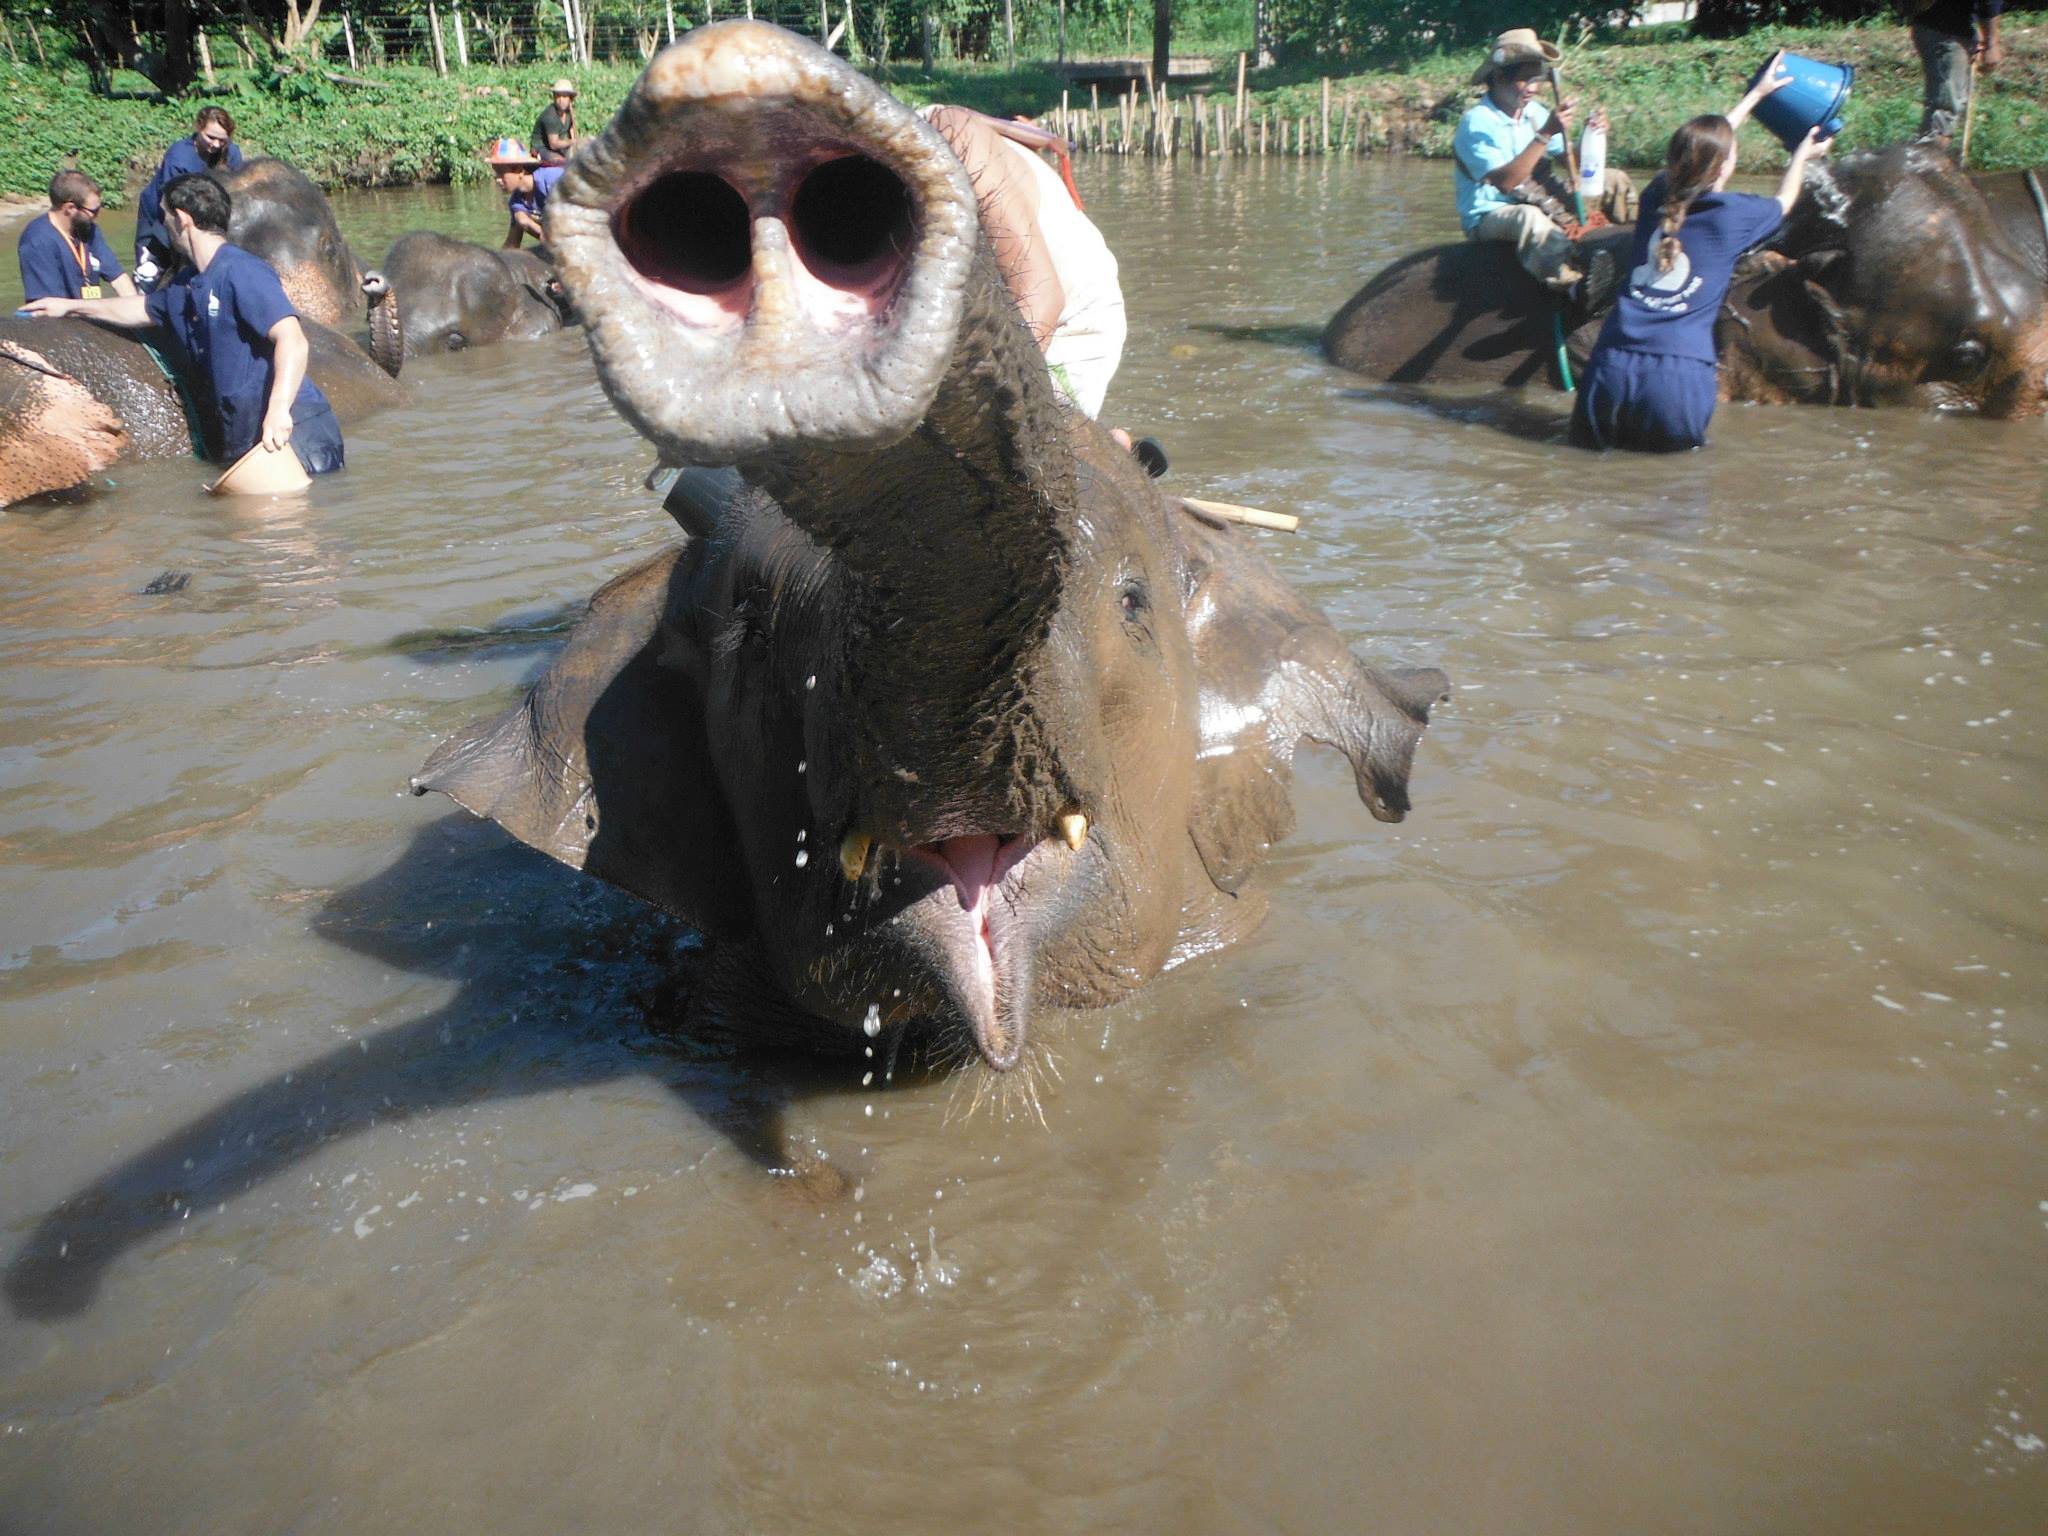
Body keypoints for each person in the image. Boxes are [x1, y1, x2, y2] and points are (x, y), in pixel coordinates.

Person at [1570, 58, 1831, 454]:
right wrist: (1800, 157)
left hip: (1610, 366)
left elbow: (1702, 148)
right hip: (1677, 378)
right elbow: (1786, 199)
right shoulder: (1737, 214)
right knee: (1675, 496)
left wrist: (1754, 97)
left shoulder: (1655, 195)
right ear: (1727, 165)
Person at [23, 173, 345, 478]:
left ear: (182, 219)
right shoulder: (186, 284)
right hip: (249, 437)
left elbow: (292, 339)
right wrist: (71, 307)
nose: (163, 225)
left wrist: (278, 411)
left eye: (164, 217)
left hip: (295, 431)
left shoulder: (241, 270)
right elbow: (140, 308)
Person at [921, 105, 1127, 420]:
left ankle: (1113, 443)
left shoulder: (956, 137)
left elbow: (1042, 298)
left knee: (1025, 432)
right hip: (991, 296)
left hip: (1070, 322)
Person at [1454, 27, 1609, 294]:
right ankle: (1567, 285)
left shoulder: (1534, 112)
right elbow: (1506, 183)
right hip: (1491, 212)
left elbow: (1571, 161)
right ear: (1500, 76)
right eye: (1525, 80)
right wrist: (1546, 132)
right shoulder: (1477, 122)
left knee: (1614, 179)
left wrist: (1590, 135)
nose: (1533, 89)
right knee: (1530, 219)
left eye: (1537, 80)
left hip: (1538, 194)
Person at [134, 105, 244, 289]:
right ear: (198, 127)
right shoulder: (179, 157)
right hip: (162, 216)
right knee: (150, 272)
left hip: (205, 217)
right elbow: (173, 200)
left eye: (222, 140)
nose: (216, 145)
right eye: (210, 137)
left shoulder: (232, 154)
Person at [18, 171, 134, 302]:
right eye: (93, 211)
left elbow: (118, 277)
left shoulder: (88, 229)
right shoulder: (37, 241)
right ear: (70, 208)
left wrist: (134, 306)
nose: (98, 215)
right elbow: (48, 305)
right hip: (58, 317)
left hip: (89, 311)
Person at [1909, 0, 2002, 140]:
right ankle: (1926, 158)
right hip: (1949, 34)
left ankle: (1924, 155)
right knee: (1944, 116)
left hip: (1928, 28)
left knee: (1942, 110)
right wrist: (1991, 43)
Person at [490, 139, 565, 250]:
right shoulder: (517, 203)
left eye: (501, 173)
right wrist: (526, 223)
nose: (497, 179)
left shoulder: (552, 179)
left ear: (519, 170)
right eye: (496, 173)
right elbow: (512, 246)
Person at [533, 79, 579, 165]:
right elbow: (553, 144)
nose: (561, 100)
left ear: (570, 98)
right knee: (561, 162)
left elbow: (571, 130)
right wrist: (572, 142)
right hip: (542, 148)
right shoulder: (550, 116)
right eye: (558, 96)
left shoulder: (569, 112)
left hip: (559, 147)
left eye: (565, 97)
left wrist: (576, 147)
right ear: (554, 97)